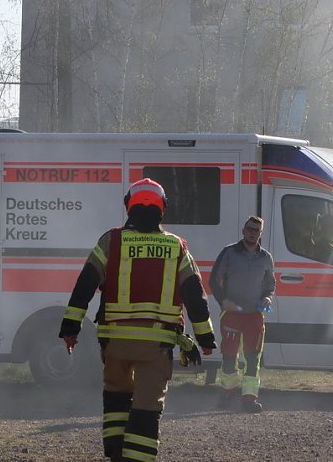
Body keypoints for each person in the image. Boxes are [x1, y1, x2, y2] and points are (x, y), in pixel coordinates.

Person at [59, 178, 216, 462]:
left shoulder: (112, 241)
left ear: (128, 207)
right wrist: (204, 338)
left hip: (115, 343)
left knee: (116, 398)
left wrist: (71, 327)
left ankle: (116, 455)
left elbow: (85, 284)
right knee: (146, 406)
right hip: (156, 345)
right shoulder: (176, 246)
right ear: (162, 208)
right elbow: (195, 295)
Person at [209, 215, 275, 413]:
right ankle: (228, 392)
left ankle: (249, 398)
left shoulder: (266, 258)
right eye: (250, 229)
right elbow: (214, 280)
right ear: (243, 230)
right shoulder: (229, 253)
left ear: (261, 234)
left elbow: (270, 285)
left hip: (255, 315)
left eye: (257, 230)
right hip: (232, 314)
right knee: (229, 354)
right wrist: (223, 301)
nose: (253, 233)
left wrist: (268, 297)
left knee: (253, 357)